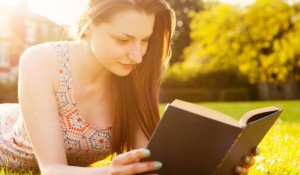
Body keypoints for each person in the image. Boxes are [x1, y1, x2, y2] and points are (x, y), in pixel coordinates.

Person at [0, 0, 258, 174]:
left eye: (145, 40)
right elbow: (53, 169)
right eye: (123, 39)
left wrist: (220, 164)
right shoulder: (40, 61)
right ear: (88, 26)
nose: (137, 55)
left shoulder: (133, 77)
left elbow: (148, 163)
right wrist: (109, 171)